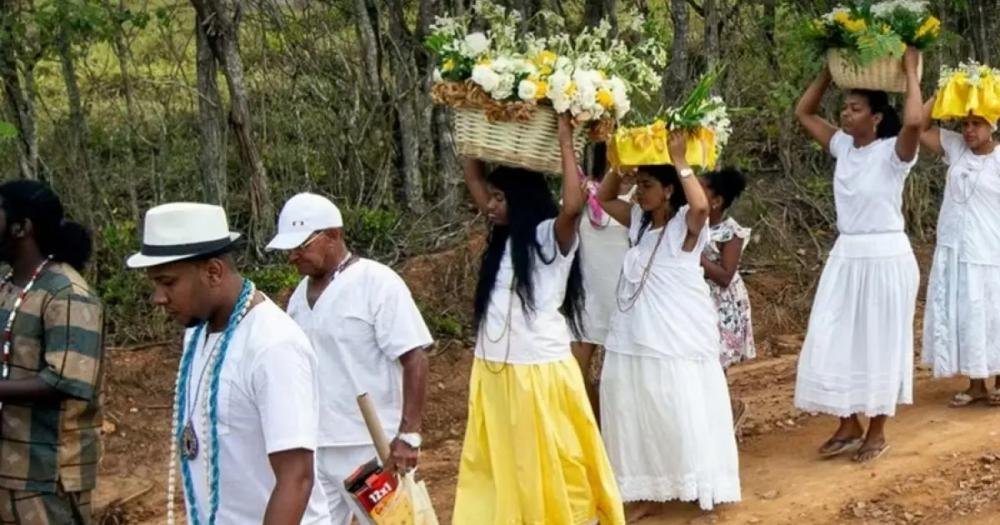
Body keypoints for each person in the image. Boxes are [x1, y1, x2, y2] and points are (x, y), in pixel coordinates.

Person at [452, 115, 625, 525]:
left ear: (522, 199)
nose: (489, 205)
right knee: (501, 459)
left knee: (553, 454)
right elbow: (474, 180)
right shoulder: (502, 238)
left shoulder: (551, 236)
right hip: (494, 369)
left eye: (498, 198)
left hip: (540, 370)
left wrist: (566, 141)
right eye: (490, 198)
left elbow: (572, 205)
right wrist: (469, 118)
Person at [126, 203, 328, 524]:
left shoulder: (273, 344)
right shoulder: (197, 332)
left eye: (168, 282)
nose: (158, 298)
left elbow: (297, 478)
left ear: (213, 272)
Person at [598, 132, 741, 521]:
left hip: (675, 335)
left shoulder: (686, 223)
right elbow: (604, 199)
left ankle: (702, 496)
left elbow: (698, 203)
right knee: (636, 407)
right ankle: (648, 489)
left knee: (680, 404)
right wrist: (618, 163)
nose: (638, 192)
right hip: (634, 331)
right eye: (638, 185)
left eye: (646, 186)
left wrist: (680, 161)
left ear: (667, 190)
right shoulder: (638, 223)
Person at [266, 192, 433, 523]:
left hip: (370, 449)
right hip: (315, 447)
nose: (293, 256)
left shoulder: (377, 283)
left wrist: (409, 435)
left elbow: (415, 358)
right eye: (289, 249)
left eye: (302, 246)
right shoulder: (298, 298)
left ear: (333, 235)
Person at [793, 48, 924, 463]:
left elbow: (917, 121)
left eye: (855, 109)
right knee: (834, 336)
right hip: (847, 254)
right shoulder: (843, 147)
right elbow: (804, 113)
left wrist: (908, 70)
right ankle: (848, 423)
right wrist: (828, 72)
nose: (846, 115)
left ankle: (878, 430)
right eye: (844, 108)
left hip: (886, 256)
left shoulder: (895, 153)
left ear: (877, 117)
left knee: (879, 342)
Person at [0, 181, 103, 524]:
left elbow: (66, 380)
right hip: (8, 468)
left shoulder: (68, 293)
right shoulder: (8, 286)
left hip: (48, 474)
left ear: (21, 227)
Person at [918, 97, 1000, 406]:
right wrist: (944, 92)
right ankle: (977, 383)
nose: (968, 130)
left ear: (992, 126)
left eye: (976, 124)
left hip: (990, 249)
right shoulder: (955, 149)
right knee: (968, 313)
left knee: (993, 313)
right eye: (965, 124)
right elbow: (918, 125)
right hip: (955, 246)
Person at [572, 145, 632, 421]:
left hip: (627, 300)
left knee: (622, 382)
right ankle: (596, 435)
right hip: (589, 299)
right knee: (573, 372)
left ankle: (623, 441)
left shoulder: (641, 194)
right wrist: (579, 198)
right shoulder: (581, 189)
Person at [700, 168, 756, 432]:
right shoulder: (690, 226)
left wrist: (695, 258)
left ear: (716, 201)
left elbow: (724, 275)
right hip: (698, 302)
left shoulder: (730, 232)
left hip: (721, 306)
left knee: (715, 363)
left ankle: (723, 418)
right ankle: (718, 415)